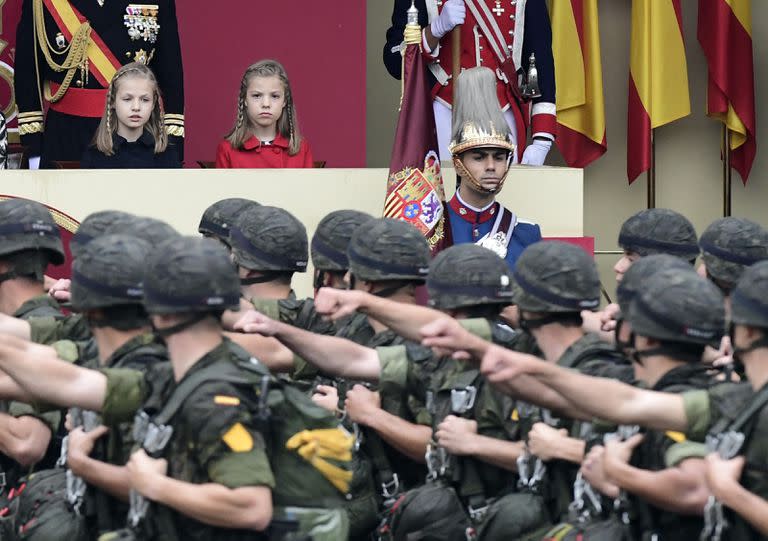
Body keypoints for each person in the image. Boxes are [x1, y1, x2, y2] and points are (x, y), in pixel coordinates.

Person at [0, 237, 351, 540]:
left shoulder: (217, 393)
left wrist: (156, 486)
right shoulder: (170, 373)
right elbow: (70, 381)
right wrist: (86, 465)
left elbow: (251, 506)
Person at [459, 260, 768, 540]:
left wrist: (618, 471)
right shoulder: (730, 396)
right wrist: (528, 370)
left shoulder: (707, 395)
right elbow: (623, 403)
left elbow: (694, 489)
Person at [14, 0, 184, 168]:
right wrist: (33, 150)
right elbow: (28, 75)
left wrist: (174, 146)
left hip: (135, 140)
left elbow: (170, 74)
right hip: (67, 137)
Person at [384, 0, 556, 163]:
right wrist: (434, 31)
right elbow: (394, 61)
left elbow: (540, 59)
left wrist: (542, 138)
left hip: (503, 112)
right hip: (442, 113)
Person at [446, 67, 541, 270]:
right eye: (479, 158)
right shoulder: (433, 229)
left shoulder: (526, 234)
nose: (491, 166)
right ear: (457, 164)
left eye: (498, 158)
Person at [215, 59, 313, 169]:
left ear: (284, 101)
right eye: (257, 96)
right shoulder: (227, 149)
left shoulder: (301, 148)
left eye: (275, 96)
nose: (266, 104)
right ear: (245, 100)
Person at [80, 63, 180, 168]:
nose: (136, 107)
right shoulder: (95, 155)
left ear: (153, 103)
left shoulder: (166, 154)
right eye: (127, 99)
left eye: (145, 100)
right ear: (113, 101)